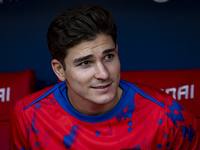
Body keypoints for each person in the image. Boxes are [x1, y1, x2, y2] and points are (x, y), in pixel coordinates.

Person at [9, 4, 200, 150]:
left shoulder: (166, 114)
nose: (104, 74)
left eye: (108, 57)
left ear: (117, 52)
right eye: (85, 63)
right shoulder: (29, 115)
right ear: (59, 70)